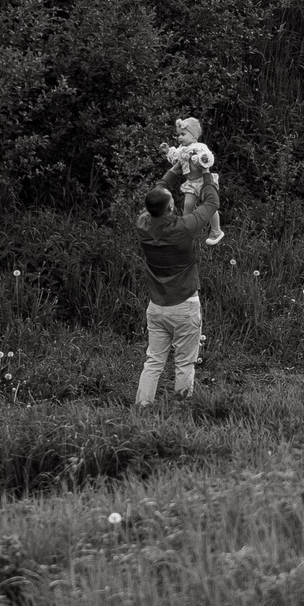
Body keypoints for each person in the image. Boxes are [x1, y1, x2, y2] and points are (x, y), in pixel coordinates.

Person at [135, 157, 219, 406]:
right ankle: (181, 409)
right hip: (184, 306)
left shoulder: (143, 224)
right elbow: (212, 202)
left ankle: (142, 407)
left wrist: (176, 167)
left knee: (153, 361)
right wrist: (205, 173)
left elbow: (160, 189)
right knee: (184, 362)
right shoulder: (183, 228)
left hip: (156, 307)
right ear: (171, 208)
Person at [164, 116, 224, 246]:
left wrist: (201, 158)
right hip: (191, 184)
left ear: (194, 136)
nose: (179, 137)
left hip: (203, 181)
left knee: (210, 205)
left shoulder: (199, 147)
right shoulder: (181, 149)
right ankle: (186, 229)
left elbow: (208, 157)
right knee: (188, 205)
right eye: (178, 135)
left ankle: (216, 230)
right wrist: (168, 151)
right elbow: (175, 159)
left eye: (183, 134)